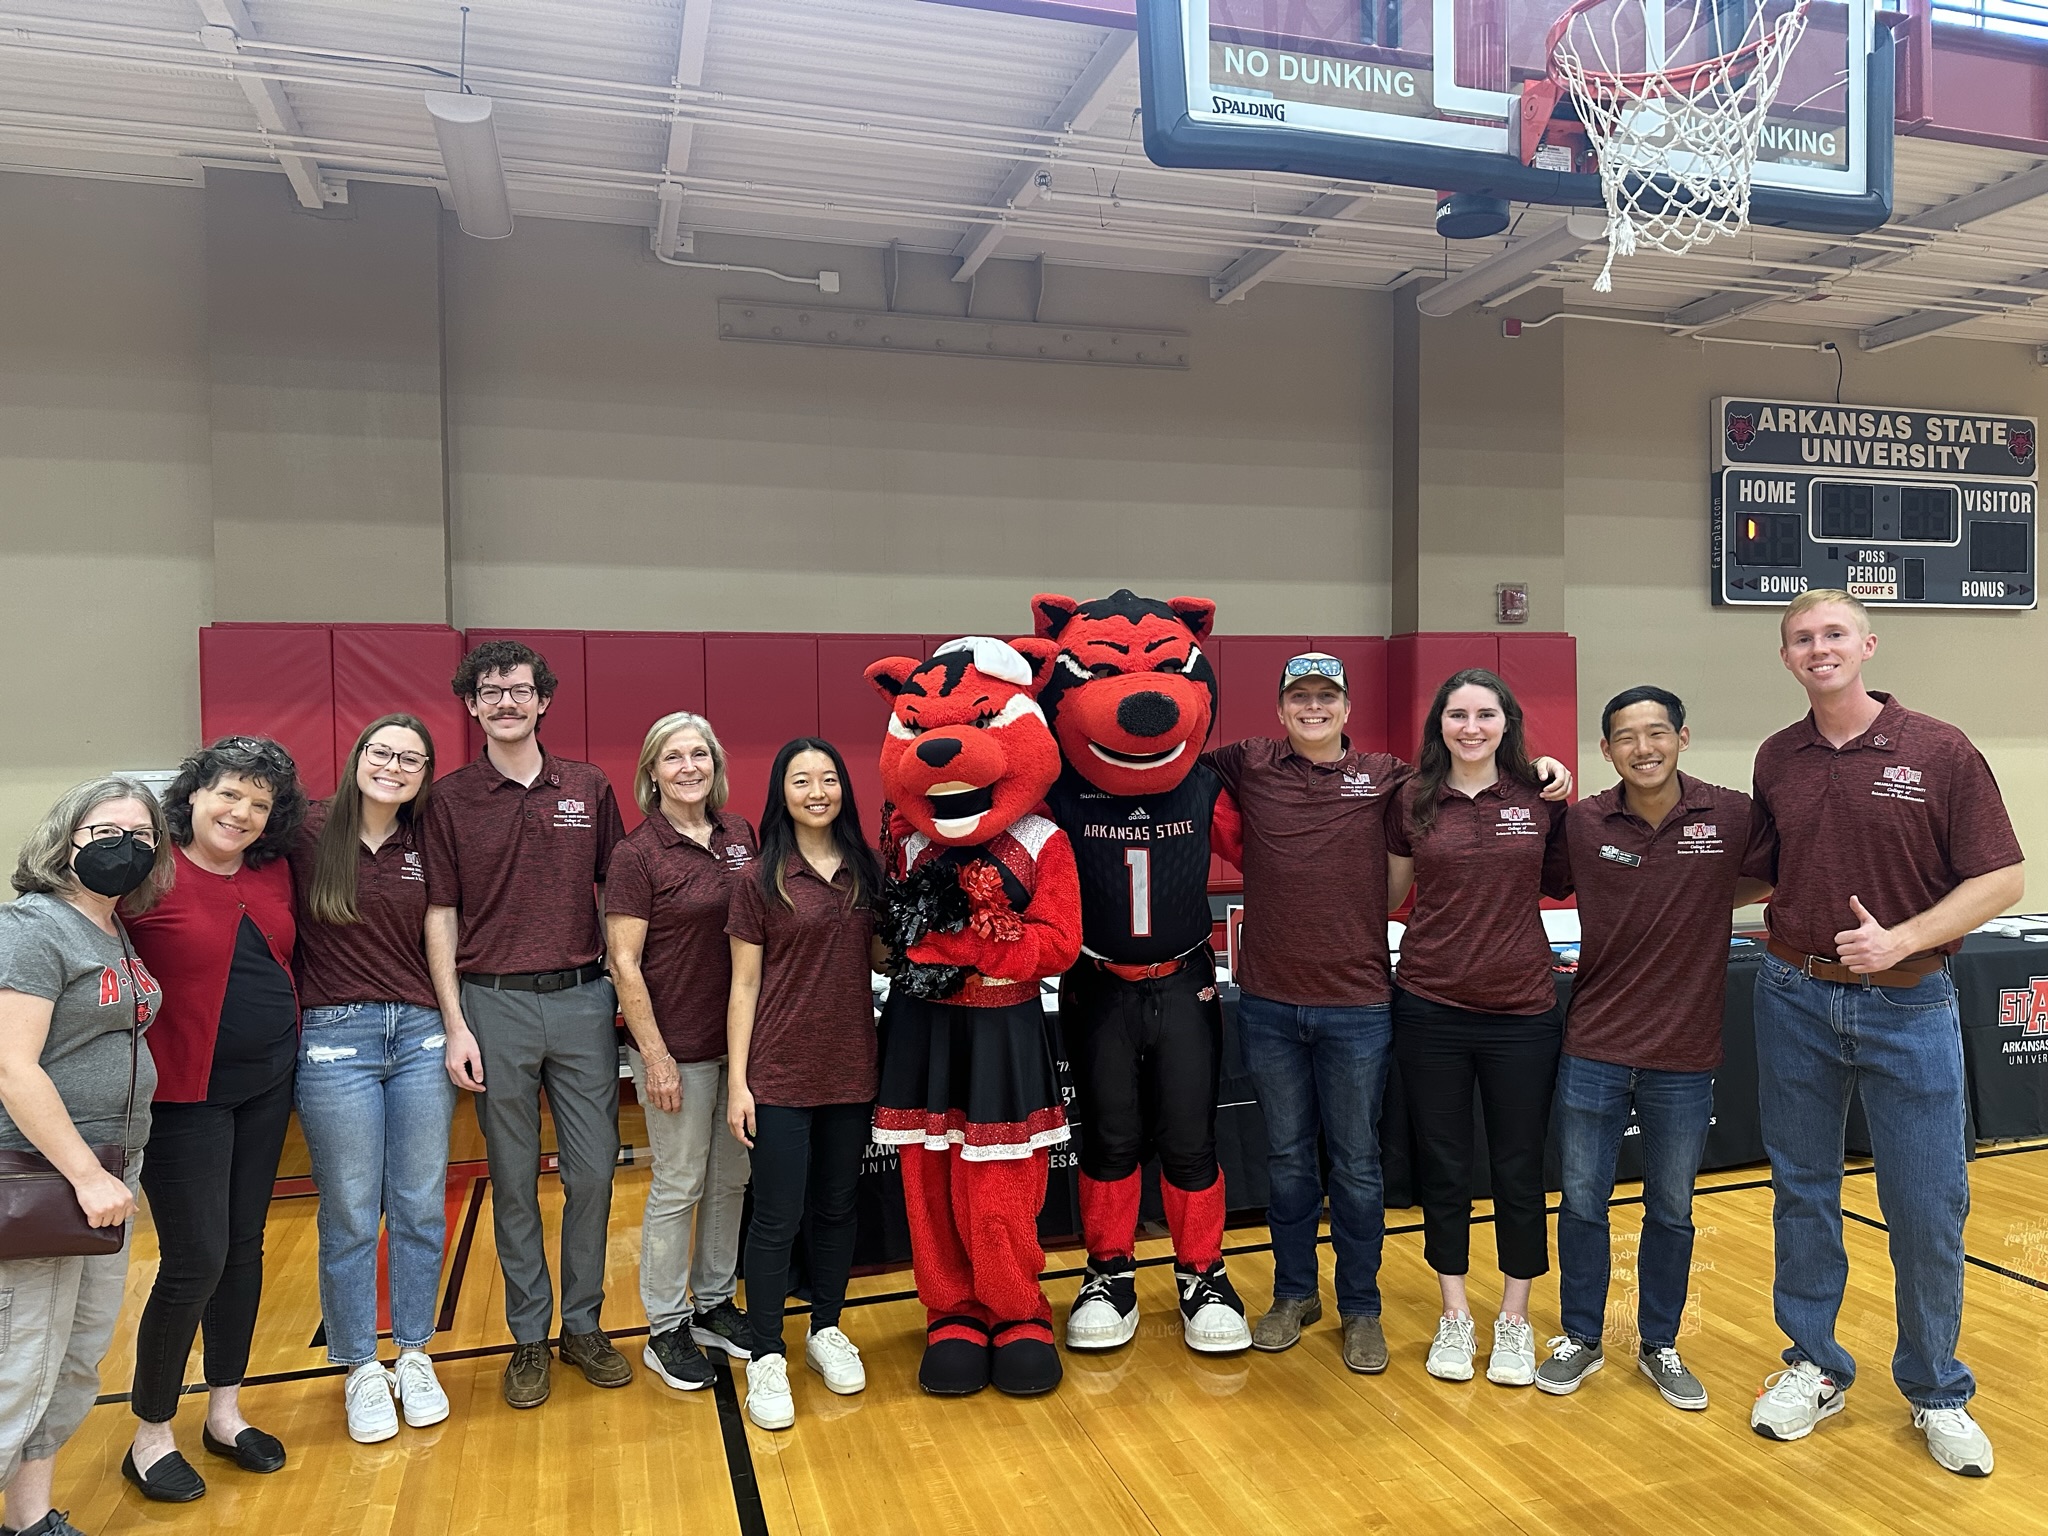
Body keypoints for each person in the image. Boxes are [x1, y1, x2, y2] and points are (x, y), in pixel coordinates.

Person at [1203, 653, 1569, 1372]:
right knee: (1285, 1161)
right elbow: (1163, 761)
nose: (1313, 708)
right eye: (1299, 697)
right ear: (1280, 708)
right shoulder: (1247, 761)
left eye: (1327, 697)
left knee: (1360, 1165)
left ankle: (1361, 1307)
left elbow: (1487, 774)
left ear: (1347, 708)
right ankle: (1292, 1293)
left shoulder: (1397, 781)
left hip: (1363, 1001)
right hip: (1271, 1000)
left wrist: (1548, 767)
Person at [1745, 590, 2023, 1477]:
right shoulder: (1776, 757)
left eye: (1833, 634)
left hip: (1910, 1003)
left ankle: (1937, 1388)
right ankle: (1815, 1366)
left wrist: (1902, 938)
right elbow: (1755, 873)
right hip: (1793, 994)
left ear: (1867, 643)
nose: (1818, 649)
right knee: (1802, 1193)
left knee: (1927, 1206)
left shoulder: (1940, 749)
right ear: (1786, 657)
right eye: (1801, 639)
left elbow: (2005, 877)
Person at [1534, 687, 1771, 1410]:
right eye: (1626, 737)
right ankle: (1580, 1336)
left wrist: (1701, 898)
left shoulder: (1731, 814)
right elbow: (1540, 875)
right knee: (1582, 1204)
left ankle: (1659, 1344)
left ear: (1683, 737)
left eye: (1657, 732)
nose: (1644, 747)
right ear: (1605, 751)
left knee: (1671, 1208)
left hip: (1685, 1054)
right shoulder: (1581, 823)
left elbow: (1768, 875)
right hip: (1595, 1044)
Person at [423, 641, 631, 1409]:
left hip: (581, 998)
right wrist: (456, 1023)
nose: (506, 702)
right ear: (472, 706)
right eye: (490, 692)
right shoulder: (449, 799)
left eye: (519, 690)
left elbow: (619, 895)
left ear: (544, 700)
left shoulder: (589, 785)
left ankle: (583, 1326)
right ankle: (530, 1338)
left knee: (593, 1173)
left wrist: (621, 989)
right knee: (512, 1180)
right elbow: (439, 915)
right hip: (492, 1004)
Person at [122, 736, 306, 1501]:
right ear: (193, 794)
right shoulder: (147, 873)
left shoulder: (272, 870)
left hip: (266, 1085)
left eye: (260, 804)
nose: (242, 812)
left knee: (243, 1247)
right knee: (194, 1260)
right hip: (182, 1097)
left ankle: (224, 1412)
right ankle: (150, 1435)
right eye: (230, 794)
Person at [1386, 669, 1570, 1389]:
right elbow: (1391, 892)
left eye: (1485, 714)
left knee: (1521, 1170)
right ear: (1439, 725)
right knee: (1445, 1168)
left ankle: (1517, 1320)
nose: (1471, 726)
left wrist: (1553, 775)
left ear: (1507, 722)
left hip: (1522, 1011)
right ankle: (1455, 1313)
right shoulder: (1411, 798)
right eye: (1457, 714)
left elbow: (1562, 880)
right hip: (1429, 1005)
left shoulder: (1540, 794)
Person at [0, 779, 169, 1536]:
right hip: (46, 1178)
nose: (123, 849)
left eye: (140, 837)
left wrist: (107, 1174)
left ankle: (31, 1517)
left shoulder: (111, 929)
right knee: (18, 1367)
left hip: (109, 1173)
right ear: (65, 839)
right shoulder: (33, 926)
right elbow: (12, 1065)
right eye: (105, 833)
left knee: (72, 1365)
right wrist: (84, 1173)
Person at [289, 715, 456, 1443]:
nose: (393, 766)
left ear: (423, 774)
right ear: (359, 756)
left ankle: (414, 1353)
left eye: (410, 759)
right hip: (334, 1039)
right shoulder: (306, 831)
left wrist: (455, 1026)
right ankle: (359, 1365)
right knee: (353, 1210)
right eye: (382, 752)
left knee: (419, 1203)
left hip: (420, 1033)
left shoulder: (427, 842)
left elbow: (440, 934)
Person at [725, 738, 882, 1432]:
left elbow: (881, 954)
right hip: (780, 1073)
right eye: (800, 780)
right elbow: (745, 985)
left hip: (850, 1068)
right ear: (780, 794)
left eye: (828, 778)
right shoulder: (760, 878)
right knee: (776, 1216)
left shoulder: (864, 870)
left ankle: (824, 1328)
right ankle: (765, 1352)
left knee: (837, 1209)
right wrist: (739, 1082)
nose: (816, 790)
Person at [605, 712, 757, 1392]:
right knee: (679, 1183)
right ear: (652, 772)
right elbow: (624, 963)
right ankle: (665, 1326)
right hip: (678, 1048)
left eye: (700, 753)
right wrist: (655, 1056)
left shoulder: (741, 835)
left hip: (742, 1045)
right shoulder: (637, 855)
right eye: (674, 757)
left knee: (731, 1180)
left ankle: (714, 1304)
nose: (689, 766)